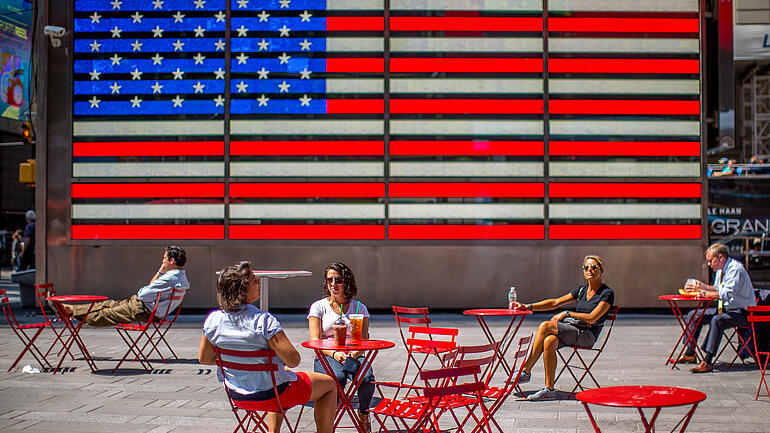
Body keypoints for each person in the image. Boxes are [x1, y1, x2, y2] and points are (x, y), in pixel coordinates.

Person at [198, 261, 336, 433]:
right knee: (329, 385)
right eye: (255, 280)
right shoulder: (263, 321)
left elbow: (204, 358)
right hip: (273, 394)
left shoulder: (213, 320)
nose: (259, 283)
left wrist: (240, 363)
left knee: (276, 375)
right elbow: (293, 360)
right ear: (242, 289)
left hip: (238, 395)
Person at [511, 255, 615, 401]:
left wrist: (568, 313)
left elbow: (593, 317)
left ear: (601, 270)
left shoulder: (607, 293)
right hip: (573, 330)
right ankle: (549, 390)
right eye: (586, 267)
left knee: (546, 325)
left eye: (594, 267)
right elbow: (554, 303)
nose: (589, 270)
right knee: (549, 341)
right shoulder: (581, 291)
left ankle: (526, 370)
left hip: (587, 335)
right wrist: (528, 306)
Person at [308, 262, 373, 432]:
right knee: (335, 378)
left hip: (354, 354)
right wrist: (335, 354)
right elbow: (315, 341)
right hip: (326, 355)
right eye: (330, 280)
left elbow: (365, 340)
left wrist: (355, 354)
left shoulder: (360, 308)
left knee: (367, 379)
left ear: (347, 283)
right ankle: (328, 421)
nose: (333, 284)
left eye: (338, 280)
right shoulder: (319, 307)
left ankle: (364, 412)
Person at [678, 243, 756, 373]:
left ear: (721, 258)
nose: (709, 264)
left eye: (710, 261)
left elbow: (725, 294)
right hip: (727, 309)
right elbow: (718, 289)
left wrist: (701, 293)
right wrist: (703, 286)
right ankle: (690, 352)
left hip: (742, 312)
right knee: (694, 314)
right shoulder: (721, 270)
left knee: (717, 320)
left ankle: (707, 361)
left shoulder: (735, 270)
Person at [64, 246, 189, 326]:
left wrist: (160, 274)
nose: (163, 261)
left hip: (143, 310)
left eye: (164, 258)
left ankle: (72, 312)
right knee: (108, 304)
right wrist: (161, 271)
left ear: (171, 260)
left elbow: (143, 294)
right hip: (146, 308)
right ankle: (70, 309)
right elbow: (151, 288)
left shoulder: (170, 278)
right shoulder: (179, 277)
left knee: (107, 313)